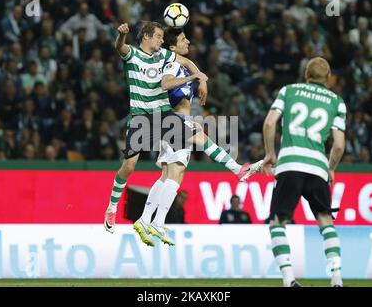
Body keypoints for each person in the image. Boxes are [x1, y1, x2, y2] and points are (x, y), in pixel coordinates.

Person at [132, 28, 263, 246]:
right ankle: (237, 169)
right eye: (183, 39)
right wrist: (194, 77)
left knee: (168, 174)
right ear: (173, 48)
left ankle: (147, 220)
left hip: (168, 121)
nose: (188, 41)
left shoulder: (175, 62)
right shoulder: (172, 65)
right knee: (198, 144)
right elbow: (165, 84)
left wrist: (197, 78)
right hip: (174, 121)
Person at [104, 21, 208, 234]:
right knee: (129, 166)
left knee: (198, 138)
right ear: (146, 37)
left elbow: (186, 61)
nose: (162, 40)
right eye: (159, 36)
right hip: (141, 119)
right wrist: (122, 35)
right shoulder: (132, 54)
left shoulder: (163, 55)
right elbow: (119, 47)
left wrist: (202, 79)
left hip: (163, 117)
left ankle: (237, 168)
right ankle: (112, 207)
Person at [258, 57, 346, 287]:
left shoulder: (289, 91)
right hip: (318, 166)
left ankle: (289, 280)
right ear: (328, 79)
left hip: (290, 163)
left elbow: (269, 123)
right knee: (326, 220)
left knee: (277, 222)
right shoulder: (337, 102)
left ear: (306, 74)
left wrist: (270, 154)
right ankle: (336, 278)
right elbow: (338, 145)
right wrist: (331, 168)